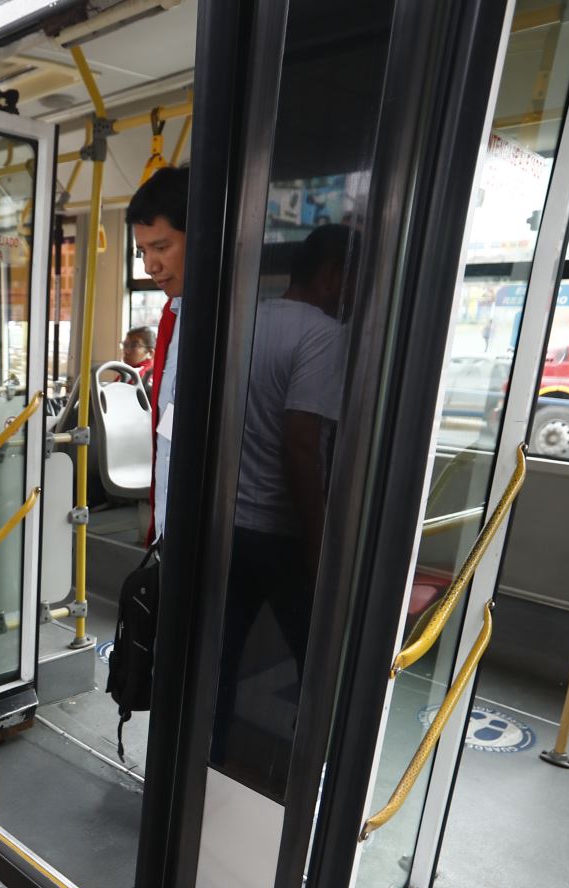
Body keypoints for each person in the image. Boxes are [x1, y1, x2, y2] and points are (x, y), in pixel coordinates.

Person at [211, 225, 355, 794]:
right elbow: (301, 442)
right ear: (330, 275)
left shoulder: (249, 320)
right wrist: (319, 543)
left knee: (218, 663)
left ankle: (209, 770)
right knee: (320, 662)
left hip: (229, 527)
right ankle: (311, 784)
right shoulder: (325, 335)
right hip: (281, 532)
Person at [127, 167, 189, 546]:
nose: (149, 266)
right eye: (142, 251)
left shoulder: (238, 321)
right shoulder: (173, 315)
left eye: (161, 248)